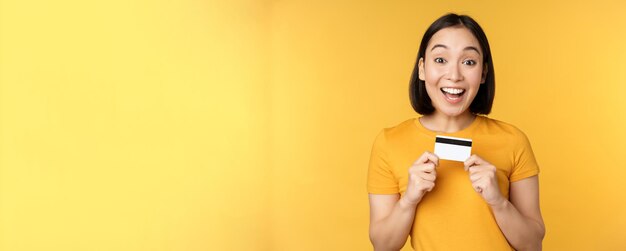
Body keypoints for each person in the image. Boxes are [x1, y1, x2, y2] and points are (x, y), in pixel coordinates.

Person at [367, 13, 545, 251]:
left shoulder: (513, 141)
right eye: (440, 60)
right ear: (422, 68)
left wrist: (498, 201)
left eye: (469, 62)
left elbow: (533, 245)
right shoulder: (389, 143)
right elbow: (382, 246)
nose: (454, 75)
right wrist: (408, 201)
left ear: (483, 73)